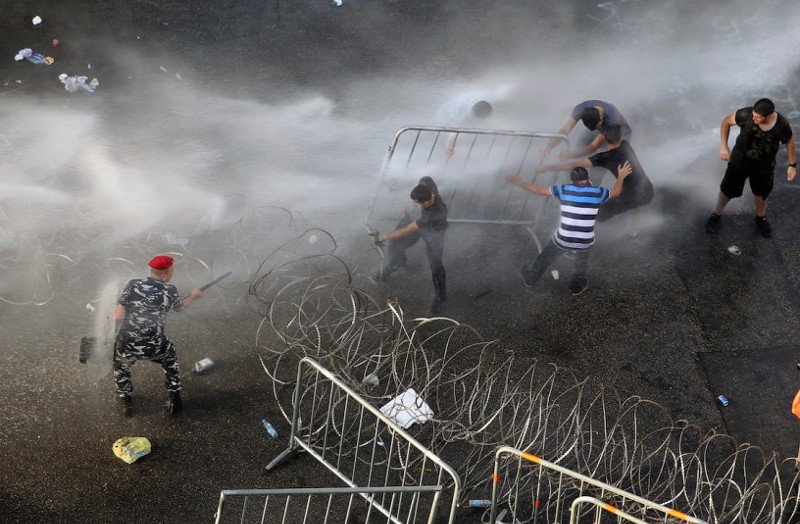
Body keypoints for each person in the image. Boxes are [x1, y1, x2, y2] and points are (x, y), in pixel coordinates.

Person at [505, 163, 630, 295]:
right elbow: (616, 192)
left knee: (546, 256)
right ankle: (577, 285)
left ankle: (530, 278)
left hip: (563, 238)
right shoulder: (598, 191)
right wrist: (621, 176)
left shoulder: (563, 189)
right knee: (582, 258)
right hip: (584, 240)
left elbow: (539, 190)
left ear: (572, 181)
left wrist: (520, 182)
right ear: (588, 179)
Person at [113, 255, 203, 417]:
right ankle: (175, 398)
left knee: (121, 366)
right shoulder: (170, 290)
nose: (173, 275)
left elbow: (118, 317)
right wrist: (194, 296)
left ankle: (126, 401)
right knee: (170, 359)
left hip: (128, 343)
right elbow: (180, 307)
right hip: (155, 344)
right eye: (172, 272)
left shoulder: (133, 284)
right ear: (164, 276)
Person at [705, 98, 796, 238]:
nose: (754, 118)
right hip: (739, 161)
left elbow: (790, 141)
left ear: (769, 115)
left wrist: (792, 165)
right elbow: (726, 122)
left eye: (758, 117)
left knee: (762, 193)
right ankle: (716, 214)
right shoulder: (746, 114)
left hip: (764, 166)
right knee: (727, 189)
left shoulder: (781, 124)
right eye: (753, 115)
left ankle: (761, 218)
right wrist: (724, 146)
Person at [536, 124, 653, 222]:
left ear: (604, 139)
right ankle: (637, 227)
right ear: (620, 137)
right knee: (631, 191)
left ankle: (577, 233)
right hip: (648, 189)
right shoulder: (626, 146)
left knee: (596, 212)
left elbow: (574, 164)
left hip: (638, 196)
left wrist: (548, 167)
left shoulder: (606, 157)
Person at [371, 176, 448, 315]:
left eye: (416, 202)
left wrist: (381, 237)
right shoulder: (427, 183)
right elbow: (416, 179)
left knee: (436, 265)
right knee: (395, 246)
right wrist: (398, 184)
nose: (413, 203)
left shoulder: (433, 213)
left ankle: (441, 297)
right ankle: (395, 264)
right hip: (413, 219)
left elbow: (405, 231)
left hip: (433, 232)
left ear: (424, 203)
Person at [541, 99, 632, 160]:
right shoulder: (581, 108)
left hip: (617, 134)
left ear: (600, 117)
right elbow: (564, 130)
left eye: (597, 126)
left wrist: (571, 155)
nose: (597, 129)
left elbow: (594, 146)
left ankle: (594, 184)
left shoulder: (612, 120)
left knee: (600, 161)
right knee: (580, 147)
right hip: (599, 129)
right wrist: (548, 148)